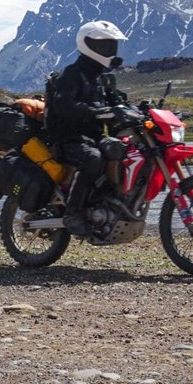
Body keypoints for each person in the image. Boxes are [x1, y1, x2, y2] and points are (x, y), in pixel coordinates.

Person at [47, 19, 129, 235]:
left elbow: (117, 101)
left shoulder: (101, 77)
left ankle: (107, 199)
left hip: (92, 137)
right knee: (93, 158)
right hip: (68, 139)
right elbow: (63, 105)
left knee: (123, 149)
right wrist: (95, 112)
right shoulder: (72, 74)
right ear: (88, 44)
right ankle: (73, 213)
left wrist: (136, 110)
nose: (110, 49)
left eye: (112, 45)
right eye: (105, 45)